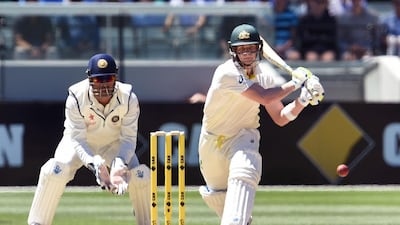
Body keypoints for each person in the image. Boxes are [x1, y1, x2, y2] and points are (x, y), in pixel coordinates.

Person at [197, 24, 324, 225]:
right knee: (218, 195)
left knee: (246, 165)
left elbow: (281, 117)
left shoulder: (263, 76)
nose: (246, 54)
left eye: (251, 49)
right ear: (233, 51)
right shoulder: (226, 72)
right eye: (241, 49)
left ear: (259, 50)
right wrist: (295, 83)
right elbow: (264, 97)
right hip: (211, 142)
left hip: (242, 137)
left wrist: (303, 99)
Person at [27, 53, 150, 225]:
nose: (104, 85)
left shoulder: (129, 98)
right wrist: (96, 164)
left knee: (141, 175)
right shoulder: (76, 98)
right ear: (90, 79)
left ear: (115, 78)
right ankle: (37, 222)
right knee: (55, 170)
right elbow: (77, 138)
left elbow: (129, 138)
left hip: (113, 144)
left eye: (108, 79)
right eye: (99, 80)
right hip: (78, 144)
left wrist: (119, 164)